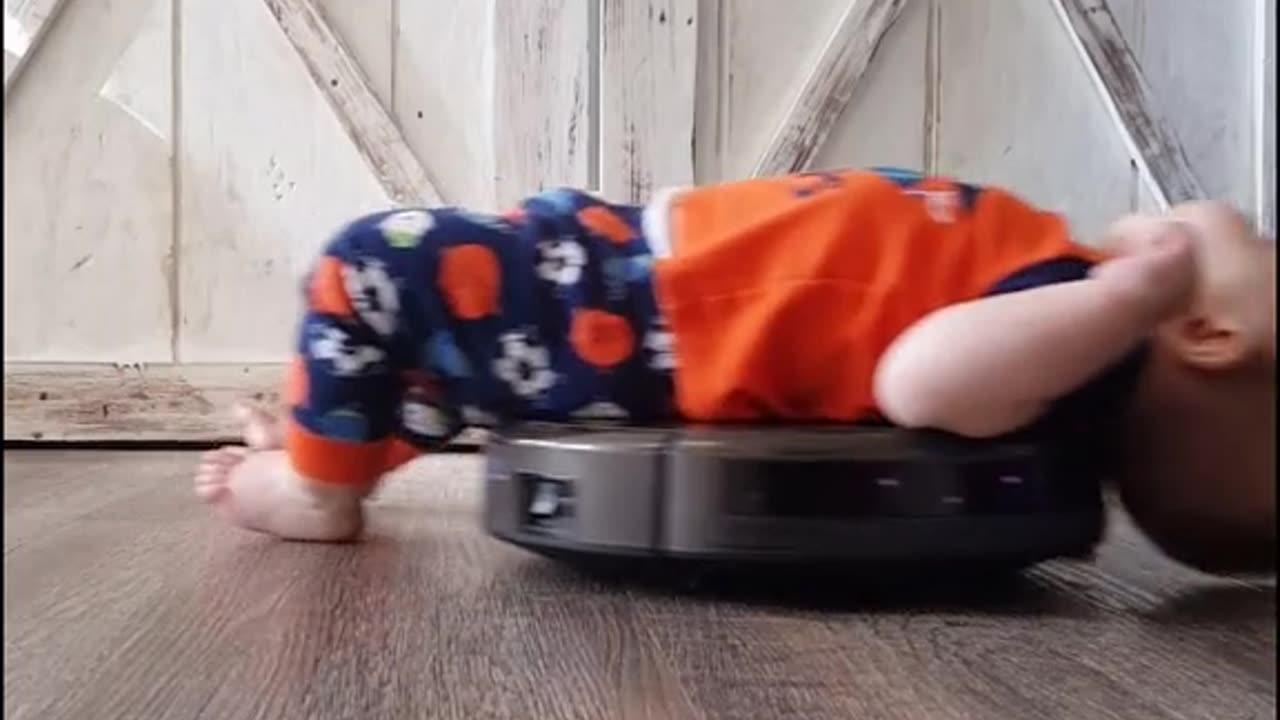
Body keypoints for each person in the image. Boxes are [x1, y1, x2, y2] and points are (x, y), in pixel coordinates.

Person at [194, 168, 1275, 574]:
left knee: (370, 262)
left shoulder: (1081, 328)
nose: (1232, 217)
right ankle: (336, 437)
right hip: (650, 278)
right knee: (439, 365)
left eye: (1256, 245)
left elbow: (925, 381)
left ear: (1210, 334)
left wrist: (1122, 297)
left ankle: (316, 490)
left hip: (652, 310)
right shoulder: (1072, 304)